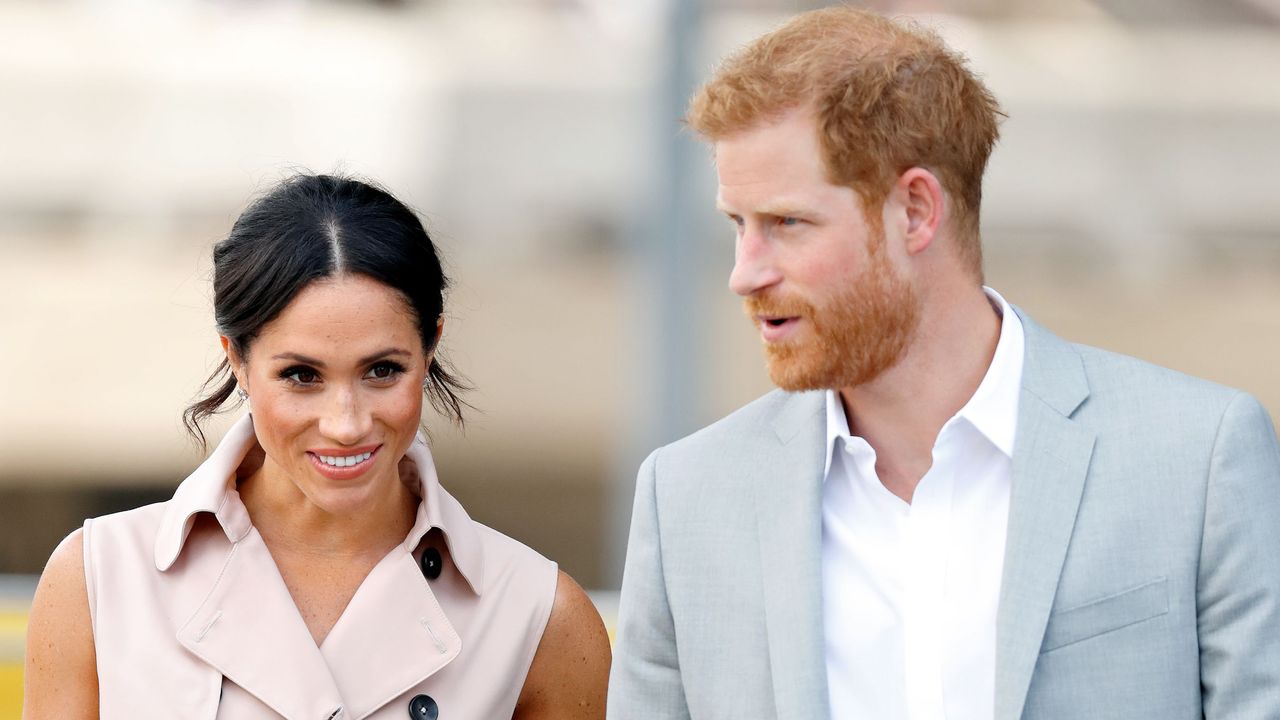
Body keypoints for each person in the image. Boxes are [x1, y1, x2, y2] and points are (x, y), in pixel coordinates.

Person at [608, 7, 1280, 720]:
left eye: (786, 223)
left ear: (916, 211)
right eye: (737, 225)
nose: (745, 273)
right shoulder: (685, 499)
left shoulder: (1197, 459)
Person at [24, 174, 611, 718]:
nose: (346, 424)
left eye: (382, 370)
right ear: (236, 358)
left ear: (431, 346)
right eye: (302, 376)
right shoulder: (100, 578)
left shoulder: (541, 618)